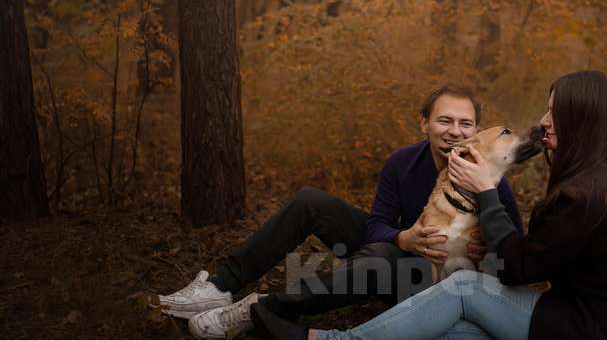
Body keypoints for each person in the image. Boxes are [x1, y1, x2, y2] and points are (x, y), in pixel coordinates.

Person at [254, 70, 607, 340]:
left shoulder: (583, 193)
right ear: (424, 123)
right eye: (547, 112)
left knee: (461, 289)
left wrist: (487, 199)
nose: (544, 122)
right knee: (450, 330)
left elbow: (516, 268)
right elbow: (545, 256)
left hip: (594, 325)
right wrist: (406, 237)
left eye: (554, 114)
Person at [157, 84, 523, 339]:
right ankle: (220, 287)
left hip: (428, 282)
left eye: (466, 124)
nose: (454, 132)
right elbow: (377, 224)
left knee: (380, 257)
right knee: (311, 201)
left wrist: (487, 250)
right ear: (423, 123)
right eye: (445, 121)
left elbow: (515, 253)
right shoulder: (402, 163)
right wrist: (403, 236)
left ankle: (261, 310)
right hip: (402, 251)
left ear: (476, 131)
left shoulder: (491, 179)